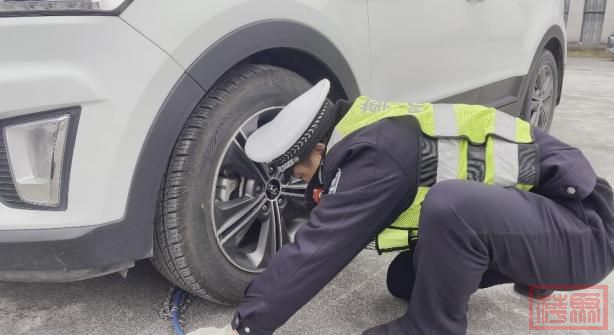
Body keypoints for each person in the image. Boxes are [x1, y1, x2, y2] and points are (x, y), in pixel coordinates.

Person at [188, 79, 614, 335]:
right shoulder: (367, 127)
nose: (298, 181)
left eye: (298, 171)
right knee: (404, 279)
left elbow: (319, 248)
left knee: (453, 206)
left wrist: (244, 326)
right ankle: (535, 272)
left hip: (587, 230)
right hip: (551, 214)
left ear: (318, 148)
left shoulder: (376, 158)